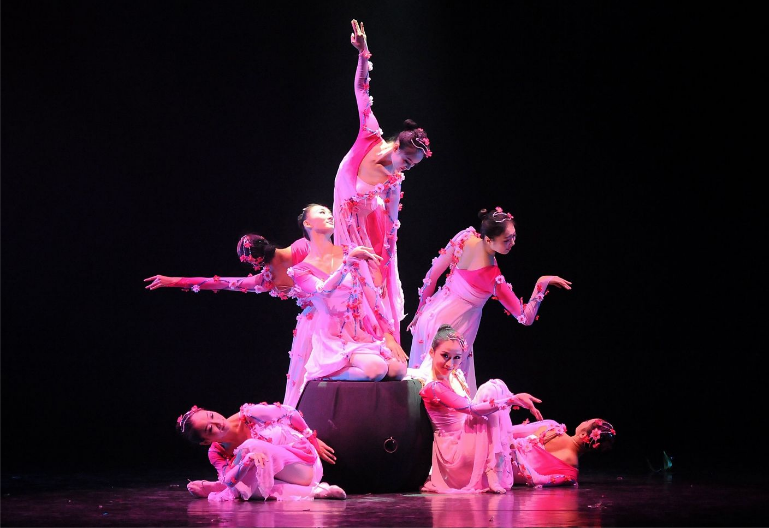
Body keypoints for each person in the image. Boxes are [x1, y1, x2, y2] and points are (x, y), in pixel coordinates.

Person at [333, 19, 433, 346]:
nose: (407, 168)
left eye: (412, 166)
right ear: (397, 146)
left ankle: (379, 341)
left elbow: (390, 225)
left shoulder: (394, 180)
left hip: (364, 226)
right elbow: (362, 90)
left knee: (371, 281)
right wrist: (363, 54)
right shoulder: (369, 134)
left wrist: (387, 263)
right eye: (408, 161)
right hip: (346, 217)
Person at [407, 207, 572, 396]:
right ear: (488, 239)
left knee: (423, 387)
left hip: (430, 317)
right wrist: (541, 283)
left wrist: (420, 312)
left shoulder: (464, 237)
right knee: (446, 395)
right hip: (453, 331)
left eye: (514, 236)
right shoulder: (492, 276)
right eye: (506, 240)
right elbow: (525, 317)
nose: (512, 243)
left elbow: (431, 275)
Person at [144, 230, 314, 408]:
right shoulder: (302, 246)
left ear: (253, 263)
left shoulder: (266, 280)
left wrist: (174, 281)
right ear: (264, 240)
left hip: (313, 320)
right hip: (327, 307)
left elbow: (218, 282)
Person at [417, 324, 543, 494]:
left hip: (467, 442)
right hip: (454, 454)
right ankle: (493, 469)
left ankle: (497, 469)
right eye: (445, 356)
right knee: (489, 389)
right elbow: (472, 409)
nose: (450, 363)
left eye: (456, 357)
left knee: (497, 387)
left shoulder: (456, 377)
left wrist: (514, 398)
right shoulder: (433, 387)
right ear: (432, 352)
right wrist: (511, 400)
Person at [288, 203, 408, 382]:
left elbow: (371, 295)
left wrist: (388, 335)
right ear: (307, 223)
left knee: (398, 369)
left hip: (359, 331)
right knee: (377, 369)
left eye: (330, 212)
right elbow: (323, 291)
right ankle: (321, 373)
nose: (329, 216)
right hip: (333, 336)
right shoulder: (300, 270)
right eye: (322, 212)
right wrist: (346, 264)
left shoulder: (350, 251)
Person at [177, 403, 346, 501]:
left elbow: (289, 412)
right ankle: (318, 492)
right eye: (209, 429)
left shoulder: (249, 414)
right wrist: (247, 461)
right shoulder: (216, 452)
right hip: (279, 478)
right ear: (206, 441)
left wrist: (312, 439)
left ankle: (218, 488)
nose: (218, 423)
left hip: (303, 466)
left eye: (212, 415)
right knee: (243, 486)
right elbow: (229, 479)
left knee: (250, 447)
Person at [507, 417, 616, 487]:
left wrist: (513, 449)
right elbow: (535, 480)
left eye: (587, 421)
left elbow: (508, 431)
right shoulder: (571, 475)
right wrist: (514, 451)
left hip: (499, 456)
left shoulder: (551, 426)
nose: (584, 421)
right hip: (501, 476)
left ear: (583, 434)